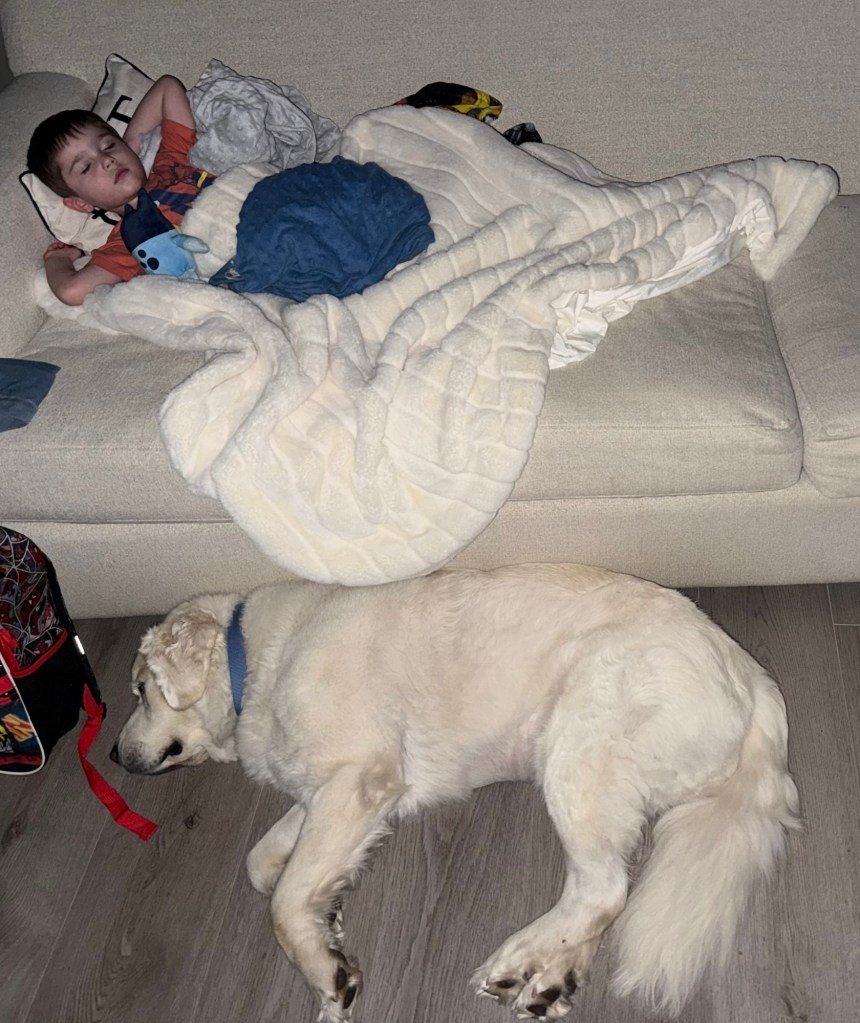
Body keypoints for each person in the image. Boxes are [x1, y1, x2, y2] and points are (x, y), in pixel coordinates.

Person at [27, 76, 212, 305]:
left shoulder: (171, 163)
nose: (107, 160)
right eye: (86, 167)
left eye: (108, 146)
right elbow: (71, 291)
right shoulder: (130, 241)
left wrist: (132, 143)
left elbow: (168, 87)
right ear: (81, 203)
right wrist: (58, 259)